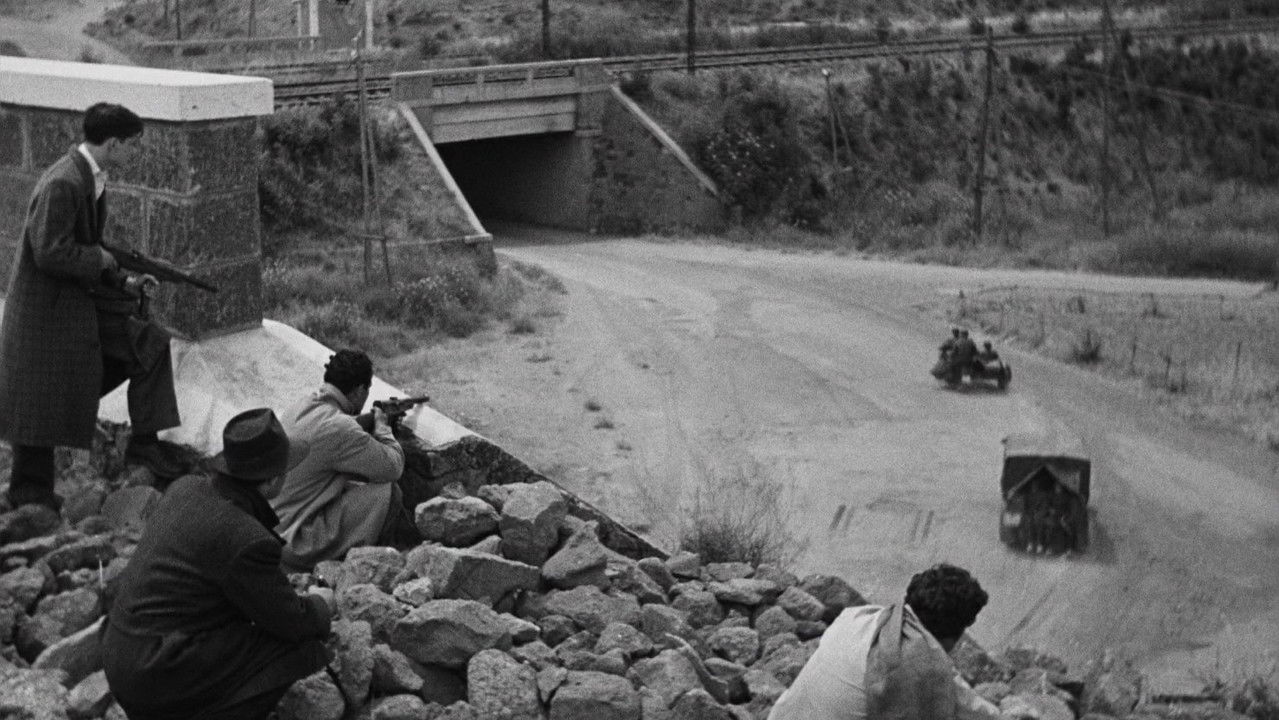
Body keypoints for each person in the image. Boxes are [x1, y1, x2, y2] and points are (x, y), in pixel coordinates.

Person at [0, 102, 187, 511]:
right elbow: (50, 251)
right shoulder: (64, 183)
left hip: (72, 306)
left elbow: (82, 245)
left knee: (149, 344)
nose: (135, 154)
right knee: (40, 402)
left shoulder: (90, 177)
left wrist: (124, 278)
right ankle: (30, 500)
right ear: (114, 143)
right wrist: (101, 261)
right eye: (133, 146)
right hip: (46, 315)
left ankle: (144, 443)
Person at [102, 408, 332, 720]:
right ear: (272, 482)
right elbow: (292, 621)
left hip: (120, 654)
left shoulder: (185, 487)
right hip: (153, 675)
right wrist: (321, 604)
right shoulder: (246, 538)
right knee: (302, 650)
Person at [768, 563, 1003, 720]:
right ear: (955, 636)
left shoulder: (861, 617)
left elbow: (954, 686)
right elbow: (955, 696)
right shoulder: (923, 667)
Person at [271, 349, 415, 571]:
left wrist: (364, 422)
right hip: (297, 539)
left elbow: (330, 432)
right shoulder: (340, 427)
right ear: (359, 391)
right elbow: (393, 466)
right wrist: (383, 428)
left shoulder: (303, 404)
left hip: (273, 527)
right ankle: (382, 565)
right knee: (387, 492)